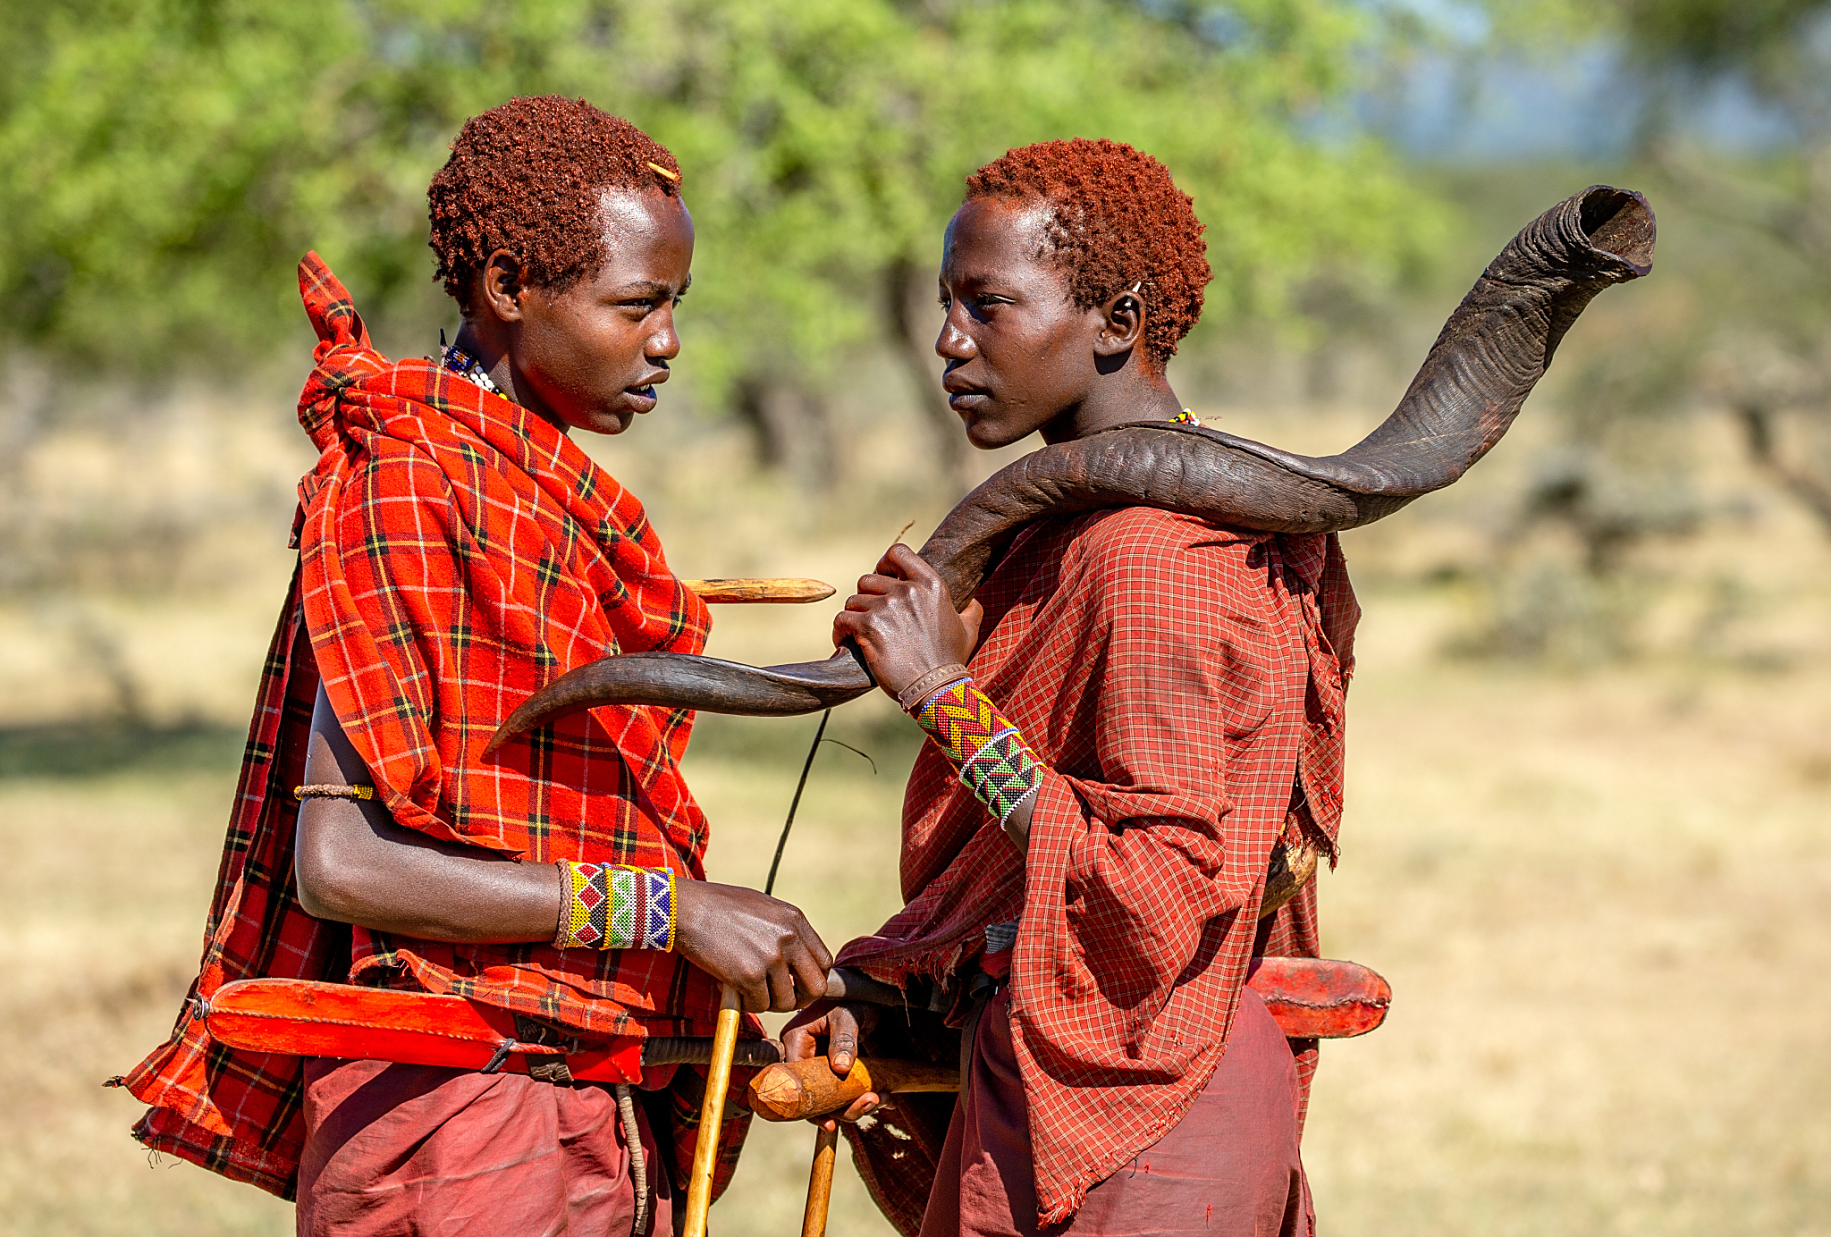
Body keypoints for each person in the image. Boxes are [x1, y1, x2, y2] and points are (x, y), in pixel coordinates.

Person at [116, 95, 833, 1236]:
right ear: (508, 289)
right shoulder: (404, 487)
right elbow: (341, 863)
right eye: (635, 305)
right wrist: (668, 909)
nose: (667, 342)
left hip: (566, 1112)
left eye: (673, 307)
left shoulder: (526, 492)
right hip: (453, 1136)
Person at [782, 139, 1358, 1237]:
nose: (947, 342)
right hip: (1087, 1072)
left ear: (1118, 320)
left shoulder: (1152, 556)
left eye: (986, 305)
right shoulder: (1077, 532)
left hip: (1143, 1108)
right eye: (945, 305)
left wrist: (942, 691)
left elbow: (1150, 890)